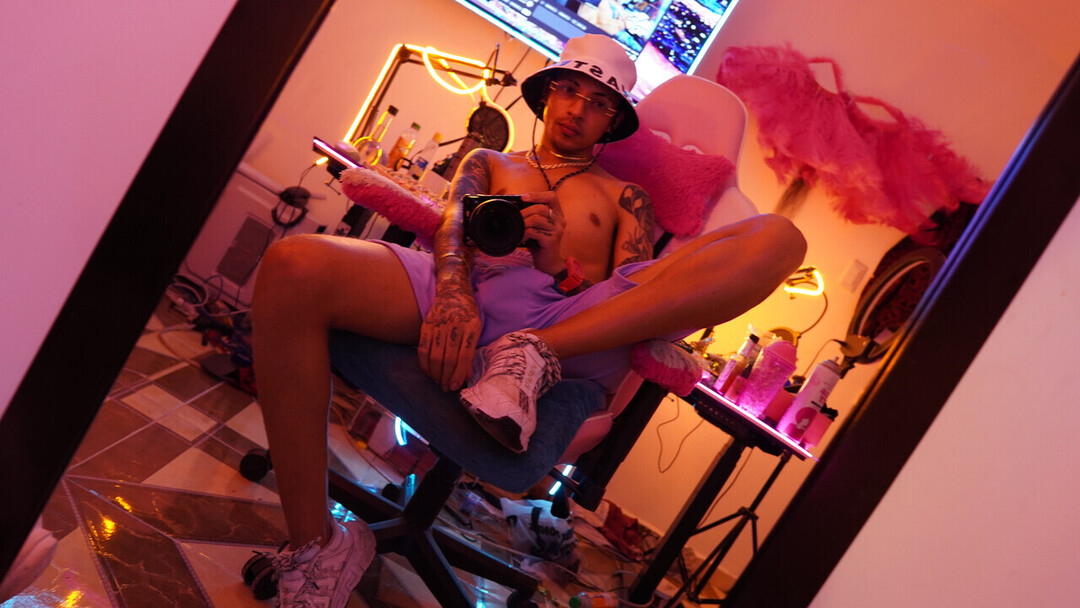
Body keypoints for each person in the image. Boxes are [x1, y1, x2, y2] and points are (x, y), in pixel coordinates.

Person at [251, 33, 805, 608]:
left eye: (599, 103)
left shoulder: (628, 198)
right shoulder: (490, 162)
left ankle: (532, 349)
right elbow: (451, 229)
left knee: (780, 237)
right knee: (293, 265)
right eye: (569, 90)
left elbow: (635, 295)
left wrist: (560, 267)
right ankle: (316, 545)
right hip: (470, 284)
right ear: (546, 95)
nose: (578, 110)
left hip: (566, 324)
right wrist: (454, 296)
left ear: (613, 121)